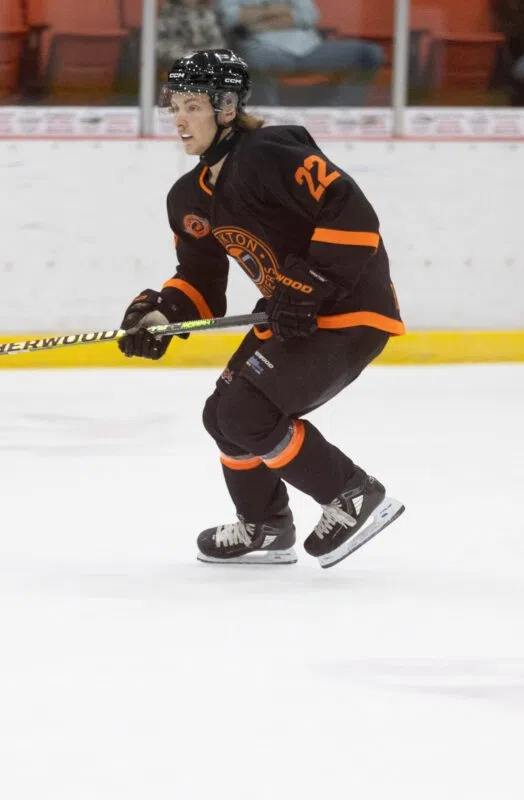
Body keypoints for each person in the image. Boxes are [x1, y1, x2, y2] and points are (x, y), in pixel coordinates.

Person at [117, 49, 405, 569]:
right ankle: (267, 527)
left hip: (348, 312)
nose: (179, 120)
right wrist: (160, 318)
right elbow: (201, 282)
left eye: (191, 107)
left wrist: (311, 281)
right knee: (222, 417)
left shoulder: (270, 152)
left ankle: (351, 494)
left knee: (245, 414)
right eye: (173, 107)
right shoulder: (188, 198)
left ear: (226, 108)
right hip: (292, 315)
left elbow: (350, 208)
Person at [215, 0, 385, 105]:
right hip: (265, 50)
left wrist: (258, 20)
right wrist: (283, 10)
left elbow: (309, 16)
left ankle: (344, 111)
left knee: (370, 53)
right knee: (248, 61)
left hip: (310, 48)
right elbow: (230, 18)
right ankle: (271, 120)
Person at [156, 0, 229, 68]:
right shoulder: (166, 14)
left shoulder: (206, 13)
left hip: (206, 69)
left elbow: (219, 44)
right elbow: (161, 49)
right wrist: (193, 56)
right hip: (175, 69)